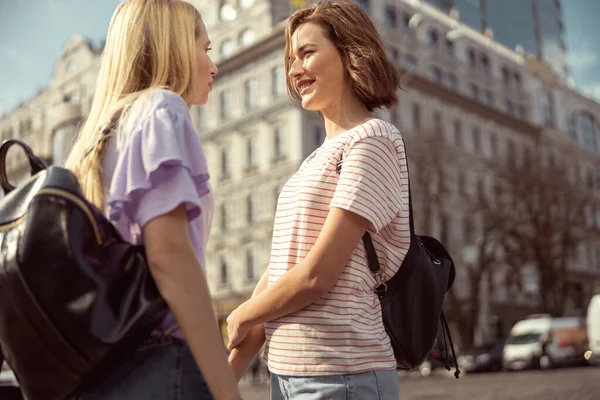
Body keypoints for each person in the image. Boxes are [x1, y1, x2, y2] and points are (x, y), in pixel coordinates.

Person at [227, 1, 407, 398]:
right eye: (291, 59)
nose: (293, 71)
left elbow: (316, 276)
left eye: (307, 53)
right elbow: (280, 273)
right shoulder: (314, 160)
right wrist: (226, 376)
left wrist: (242, 313)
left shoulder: (372, 140)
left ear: (349, 53)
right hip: (291, 374)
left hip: (342, 374)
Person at [64, 1, 240, 399]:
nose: (213, 66)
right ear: (173, 46)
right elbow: (171, 257)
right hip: (165, 361)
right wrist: (225, 388)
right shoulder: (163, 109)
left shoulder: (99, 138)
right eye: (206, 48)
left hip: (109, 368)